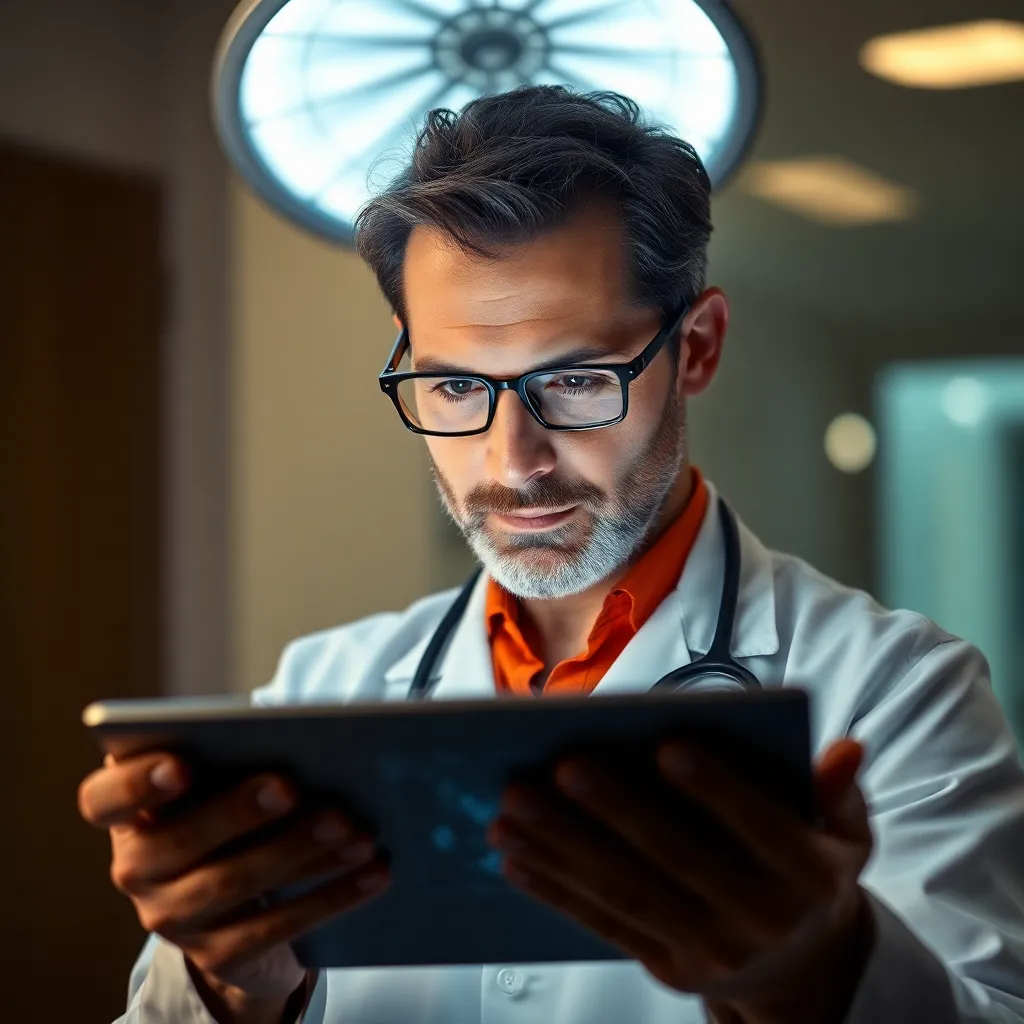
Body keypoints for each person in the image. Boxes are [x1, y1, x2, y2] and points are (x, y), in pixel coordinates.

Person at [78, 87, 1024, 1024]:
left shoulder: (898, 691)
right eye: (453, 387)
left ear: (695, 347)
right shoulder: (322, 687)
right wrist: (229, 986)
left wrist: (820, 974)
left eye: (574, 380)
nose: (513, 463)